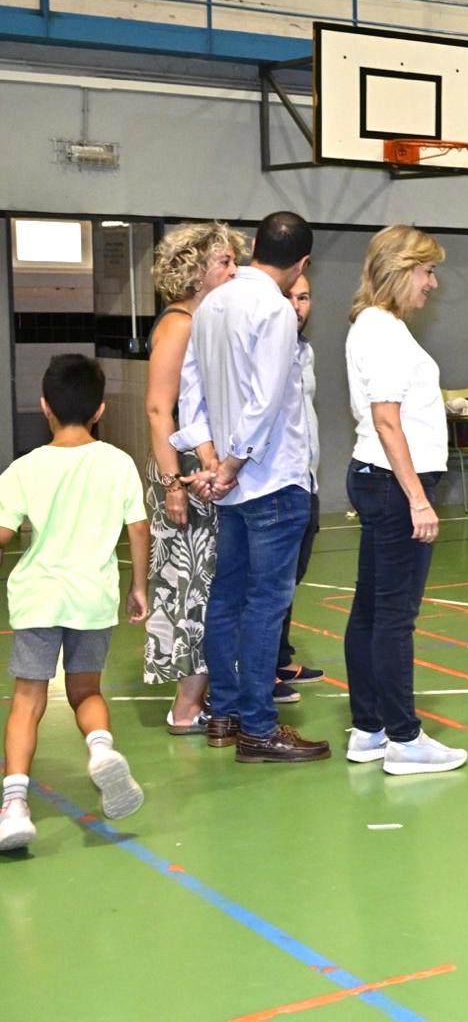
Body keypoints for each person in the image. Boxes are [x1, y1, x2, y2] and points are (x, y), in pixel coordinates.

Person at [179, 210, 328, 763]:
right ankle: (260, 728)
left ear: (253, 248)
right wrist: (232, 464)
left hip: (234, 483)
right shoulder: (274, 308)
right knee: (266, 604)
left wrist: (210, 456)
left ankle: (224, 714)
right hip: (271, 480)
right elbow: (265, 401)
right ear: (302, 263)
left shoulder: (212, 303)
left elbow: (190, 391)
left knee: (227, 598)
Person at [1, 356, 149, 851]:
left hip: (39, 597)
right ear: (99, 409)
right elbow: (138, 528)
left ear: (44, 405)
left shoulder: (24, 469)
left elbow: (2, 532)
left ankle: (14, 806)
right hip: (92, 597)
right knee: (86, 691)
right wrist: (139, 587)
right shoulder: (118, 463)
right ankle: (101, 749)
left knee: (28, 700)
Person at [342, 225, 467, 775]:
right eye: (427, 271)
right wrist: (418, 498)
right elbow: (386, 419)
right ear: (400, 270)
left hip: (378, 479)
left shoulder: (373, 326)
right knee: (394, 616)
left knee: (371, 610)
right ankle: (403, 738)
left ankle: (369, 728)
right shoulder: (385, 332)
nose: (432, 284)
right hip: (394, 485)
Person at [143, 222, 242, 734]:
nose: (233, 270)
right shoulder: (181, 324)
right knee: (191, 591)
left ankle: (201, 698)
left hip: (198, 467)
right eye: (224, 262)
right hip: (181, 469)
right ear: (196, 270)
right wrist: (173, 484)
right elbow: (160, 409)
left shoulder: (205, 322)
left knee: (207, 588)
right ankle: (185, 709)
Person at [273, 272, 326, 695]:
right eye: (288, 296)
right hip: (276, 485)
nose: (297, 305)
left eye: (304, 297)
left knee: (290, 578)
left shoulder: (304, 350)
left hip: (306, 481)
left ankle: (279, 658)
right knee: (270, 583)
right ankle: (259, 672)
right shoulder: (266, 349)